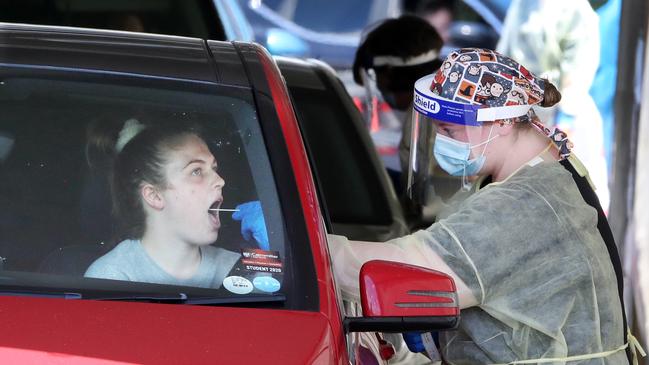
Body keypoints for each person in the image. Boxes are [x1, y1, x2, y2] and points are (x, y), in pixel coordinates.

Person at [329, 48, 643, 364]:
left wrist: (307, 249)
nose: (441, 142)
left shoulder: (522, 206)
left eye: (449, 130)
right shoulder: (549, 166)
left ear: (504, 120)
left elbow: (404, 269)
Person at [84, 119, 259, 288]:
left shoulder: (239, 269)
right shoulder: (110, 277)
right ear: (154, 196)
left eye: (214, 169)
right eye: (196, 171)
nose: (220, 181)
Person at [497, 0, 611, 212]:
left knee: (575, 199)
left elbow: (577, 73)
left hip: (564, 115)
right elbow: (504, 56)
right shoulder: (523, 5)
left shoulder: (574, 9)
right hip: (524, 112)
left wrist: (565, 120)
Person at [353, 15, 444, 194]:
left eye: (376, 76)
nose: (379, 85)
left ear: (388, 73)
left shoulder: (424, 117)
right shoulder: (444, 99)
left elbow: (425, 201)